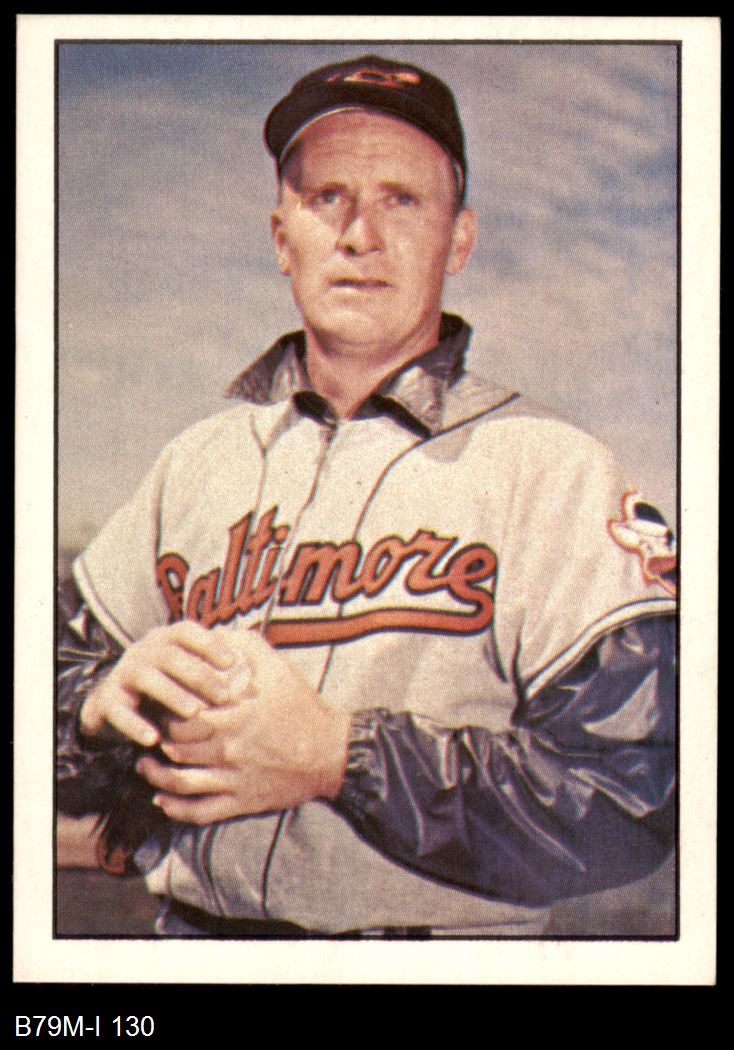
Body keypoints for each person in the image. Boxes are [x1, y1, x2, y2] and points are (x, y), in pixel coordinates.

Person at [57, 54, 677, 938]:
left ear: (458, 240)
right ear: (283, 238)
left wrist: (339, 757)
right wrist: (96, 702)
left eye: (402, 200)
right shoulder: (192, 466)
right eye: (328, 198)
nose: (360, 235)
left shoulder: (554, 469)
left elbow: (633, 797)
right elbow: (49, 683)